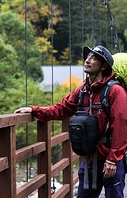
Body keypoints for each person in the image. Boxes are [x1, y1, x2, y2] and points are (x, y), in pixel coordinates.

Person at [14, 45, 127, 198]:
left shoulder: (115, 91)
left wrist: (113, 160)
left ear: (104, 66)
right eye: (87, 57)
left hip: (110, 159)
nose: (87, 60)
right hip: (90, 159)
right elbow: (61, 109)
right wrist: (34, 110)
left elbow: (121, 126)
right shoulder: (82, 91)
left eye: (93, 58)